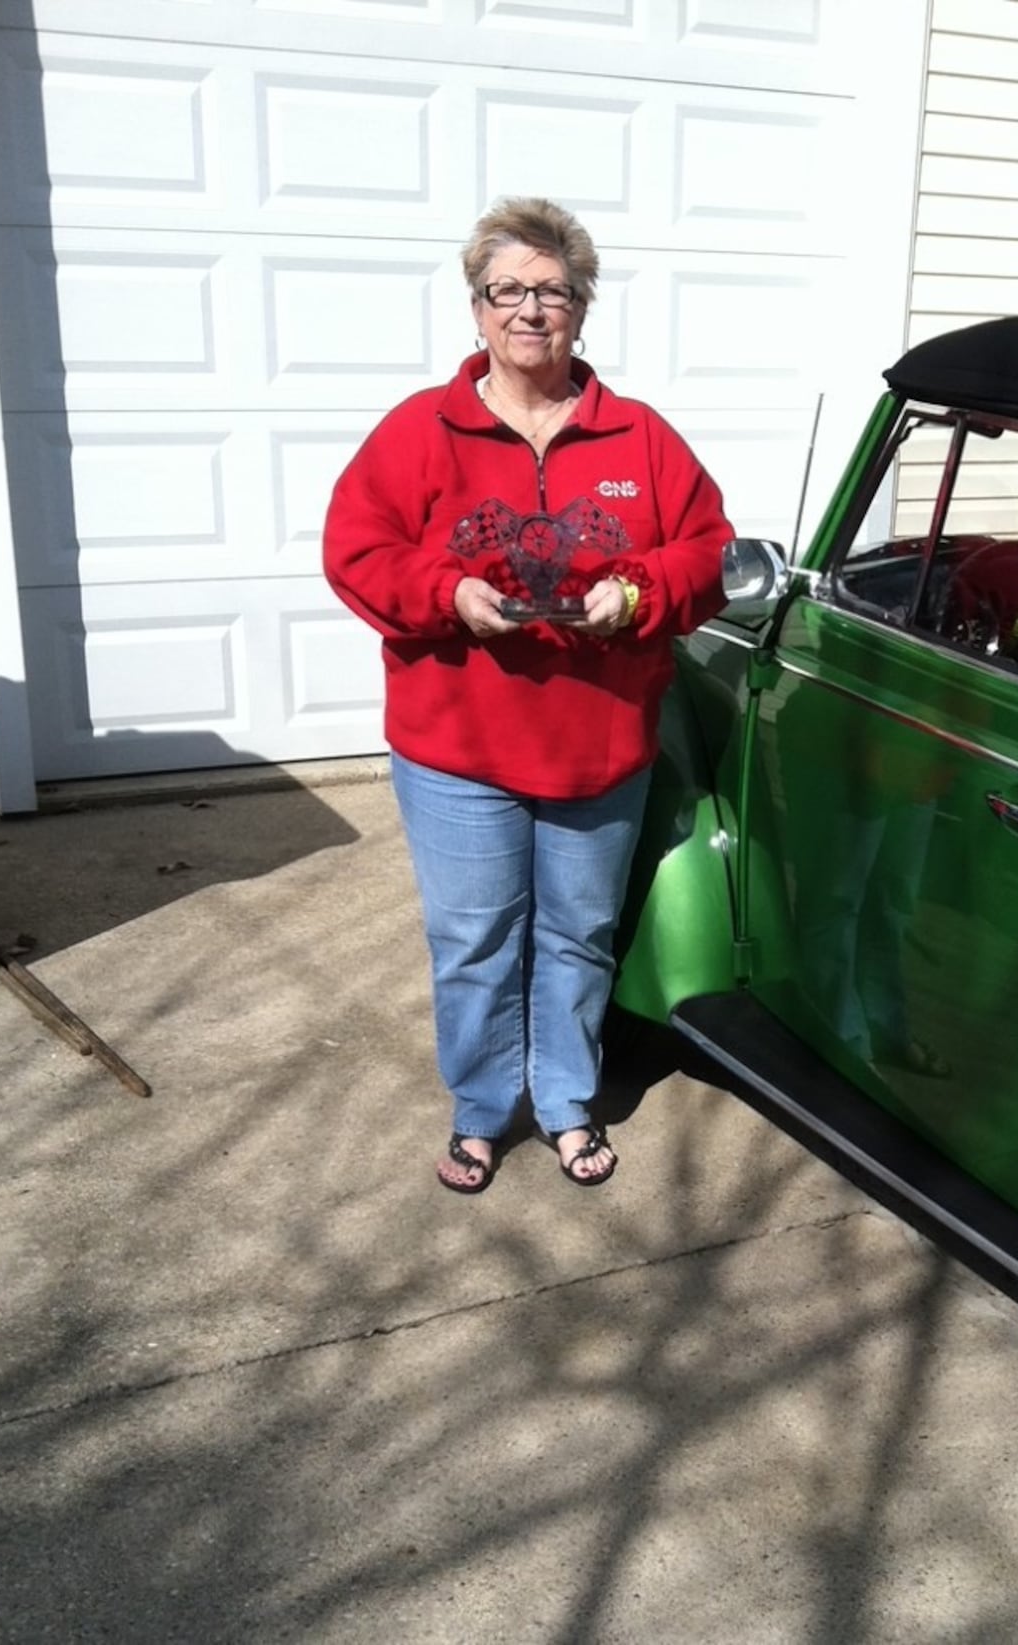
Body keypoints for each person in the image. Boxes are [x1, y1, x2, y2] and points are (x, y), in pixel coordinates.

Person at [323, 197, 732, 1194]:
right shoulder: (421, 431)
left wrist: (638, 590)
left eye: (553, 291)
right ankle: (480, 1108)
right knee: (474, 938)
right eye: (509, 291)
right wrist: (447, 592)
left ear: (582, 309)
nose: (531, 311)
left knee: (578, 934)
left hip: (597, 749)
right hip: (457, 747)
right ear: (477, 309)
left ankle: (563, 1100)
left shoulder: (639, 438)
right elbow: (356, 551)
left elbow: (708, 551)